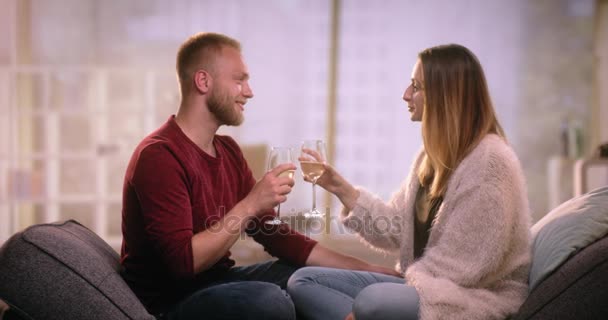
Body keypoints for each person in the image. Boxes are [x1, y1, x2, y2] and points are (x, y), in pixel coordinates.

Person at [120, 32, 398, 320]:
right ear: (203, 81)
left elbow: (275, 235)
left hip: (217, 284)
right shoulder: (160, 156)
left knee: (311, 278)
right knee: (269, 301)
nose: (249, 91)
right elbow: (183, 263)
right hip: (169, 303)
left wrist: (363, 269)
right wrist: (251, 204)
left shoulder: (227, 150)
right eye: (239, 80)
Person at [287, 44, 532, 320]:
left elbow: (461, 269)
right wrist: (339, 187)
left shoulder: (490, 163)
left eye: (416, 86)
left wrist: (402, 285)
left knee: (372, 301)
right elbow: (394, 228)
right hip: (421, 285)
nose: (406, 95)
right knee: (304, 282)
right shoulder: (430, 158)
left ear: (446, 95)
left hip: (468, 298)